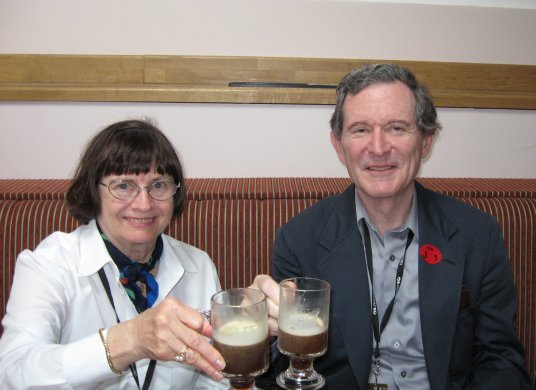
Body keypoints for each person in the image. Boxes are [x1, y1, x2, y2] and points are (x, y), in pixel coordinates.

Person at [255, 64, 531, 389]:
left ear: (426, 141)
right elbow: (286, 367)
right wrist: (262, 330)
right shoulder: (299, 239)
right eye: (360, 130)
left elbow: (500, 361)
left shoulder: (477, 234)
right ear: (338, 145)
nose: (378, 147)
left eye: (397, 128)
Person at [0, 119, 233, 389]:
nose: (144, 204)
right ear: (93, 190)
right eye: (123, 186)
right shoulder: (49, 264)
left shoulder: (199, 265)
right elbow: (12, 372)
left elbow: (215, 379)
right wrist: (128, 340)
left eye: (158, 185)